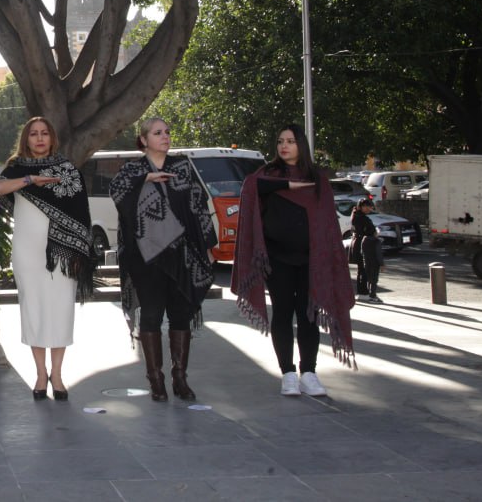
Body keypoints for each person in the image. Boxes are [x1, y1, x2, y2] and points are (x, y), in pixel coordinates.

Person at [233, 124, 355, 397]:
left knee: (308, 315)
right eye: (280, 141)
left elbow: (326, 222)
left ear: (301, 144)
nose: (284, 146)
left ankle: (308, 373)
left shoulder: (318, 178)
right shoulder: (266, 175)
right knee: (283, 313)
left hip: (313, 259)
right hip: (277, 258)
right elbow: (251, 187)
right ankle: (288, 373)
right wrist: (287, 185)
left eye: (290, 141)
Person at [108, 117, 217, 401]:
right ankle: (155, 379)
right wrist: (146, 179)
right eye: (158, 133)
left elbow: (199, 206)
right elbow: (116, 192)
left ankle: (180, 377)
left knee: (181, 314)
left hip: (183, 254)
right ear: (144, 140)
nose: (165, 137)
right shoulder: (132, 169)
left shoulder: (182, 166)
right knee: (153, 314)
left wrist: (206, 245)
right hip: (146, 257)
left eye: (167, 132)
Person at [0, 117, 97, 401]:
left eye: (44, 133)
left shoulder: (67, 171)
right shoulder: (16, 169)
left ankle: (58, 375)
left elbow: (80, 216)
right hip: (27, 251)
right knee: (33, 309)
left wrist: (77, 252)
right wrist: (30, 180)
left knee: (61, 310)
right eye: (34, 134)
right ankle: (40, 374)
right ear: (26, 139)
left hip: (63, 255)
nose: (39, 138)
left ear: (52, 138)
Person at [349, 199, 384, 303]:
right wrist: (373, 233)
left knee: (362, 269)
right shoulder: (360, 217)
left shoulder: (357, 215)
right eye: (366, 206)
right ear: (361, 206)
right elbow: (366, 231)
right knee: (365, 270)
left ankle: (363, 293)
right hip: (363, 245)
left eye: (370, 206)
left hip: (360, 244)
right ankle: (365, 293)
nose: (369, 208)